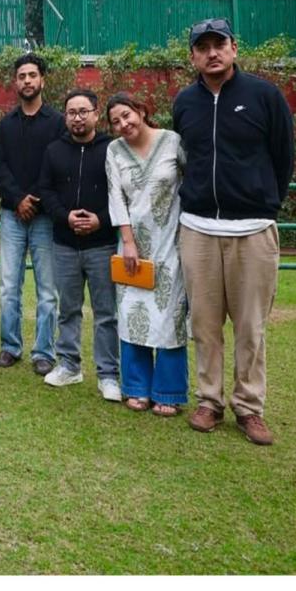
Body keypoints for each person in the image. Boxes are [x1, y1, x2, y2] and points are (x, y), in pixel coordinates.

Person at [173, 17, 294, 445]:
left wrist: (265, 203)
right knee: (204, 325)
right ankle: (209, 401)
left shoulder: (264, 96)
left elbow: (283, 158)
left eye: (219, 44)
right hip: (198, 228)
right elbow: (184, 158)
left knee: (250, 327)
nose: (212, 53)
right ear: (193, 56)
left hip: (253, 229)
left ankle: (249, 407)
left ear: (233, 48)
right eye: (203, 47)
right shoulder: (185, 102)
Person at [104, 92, 189, 416]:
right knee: (132, 313)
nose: (123, 124)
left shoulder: (173, 142)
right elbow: (115, 197)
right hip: (132, 245)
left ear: (141, 111)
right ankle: (136, 388)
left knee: (170, 313)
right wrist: (127, 241)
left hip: (172, 241)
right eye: (115, 121)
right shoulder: (114, 150)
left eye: (127, 115)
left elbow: (191, 182)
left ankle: (168, 392)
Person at [37, 89, 121, 401]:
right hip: (65, 244)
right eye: (71, 112)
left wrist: (101, 220)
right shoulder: (54, 150)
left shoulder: (112, 149)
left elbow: (121, 194)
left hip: (102, 244)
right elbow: (46, 190)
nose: (77, 118)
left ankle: (108, 374)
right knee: (68, 309)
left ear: (96, 114)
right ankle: (69, 365)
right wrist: (65, 217)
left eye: (83, 111)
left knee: (106, 313)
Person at [0, 52, 61, 373]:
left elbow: (57, 166)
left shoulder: (58, 122)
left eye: (32, 75)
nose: (27, 81)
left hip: (46, 216)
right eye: (22, 76)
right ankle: (10, 346)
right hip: (11, 214)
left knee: (47, 289)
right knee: (9, 286)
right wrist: (19, 199)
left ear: (42, 79)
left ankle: (44, 351)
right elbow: (0, 167)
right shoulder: (6, 124)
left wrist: (35, 199)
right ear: (15, 82)